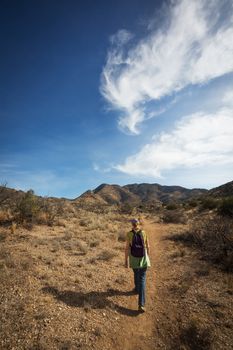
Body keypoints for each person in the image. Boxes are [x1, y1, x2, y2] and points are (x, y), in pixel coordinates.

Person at [125, 218, 150, 312]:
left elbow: (127, 248)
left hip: (134, 258)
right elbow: (148, 246)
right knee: (142, 279)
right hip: (143, 258)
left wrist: (126, 261)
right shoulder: (144, 233)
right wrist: (148, 257)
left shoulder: (129, 234)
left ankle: (136, 288)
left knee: (136, 273)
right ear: (139, 224)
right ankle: (141, 305)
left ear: (132, 224)